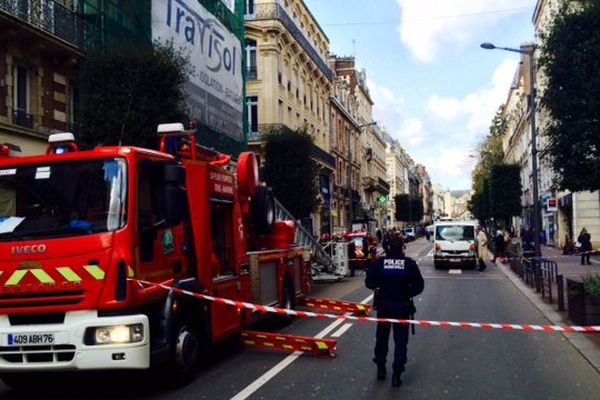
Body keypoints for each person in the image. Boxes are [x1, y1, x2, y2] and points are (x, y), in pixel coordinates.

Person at [365, 233, 424, 387]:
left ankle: (380, 368)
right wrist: (407, 293)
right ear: (402, 247)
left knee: (382, 339)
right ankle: (397, 373)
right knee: (401, 342)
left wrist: (380, 287)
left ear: (387, 247)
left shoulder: (379, 263)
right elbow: (419, 286)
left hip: (384, 306)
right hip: (402, 307)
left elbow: (369, 282)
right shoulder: (409, 264)